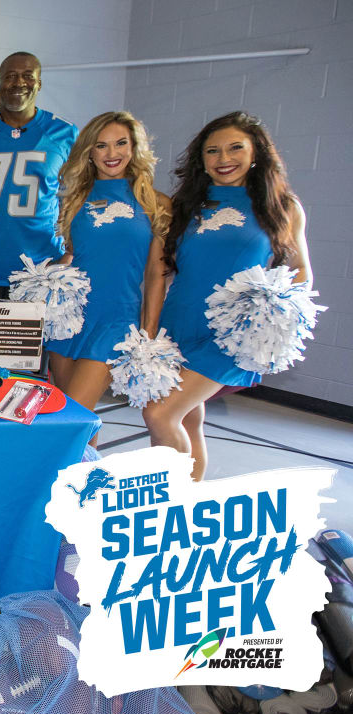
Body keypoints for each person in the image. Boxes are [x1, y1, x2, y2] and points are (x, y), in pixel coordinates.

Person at [142, 111, 312, 482]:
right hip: (178, 324)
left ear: (256, 153)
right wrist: (150, 331)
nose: (223, 159)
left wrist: (268, 311)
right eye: (212, 151)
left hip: (232, 335)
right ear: (200, 161)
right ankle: (190, 497)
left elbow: (300, 272)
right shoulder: (183, 207)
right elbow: (160, 271)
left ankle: (170, 505)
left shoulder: (282, 207)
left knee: (159, 414)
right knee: (188, 417)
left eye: (235, 148)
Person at [44, 111, 170, 435]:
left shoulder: (156, 203)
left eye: (120, 144)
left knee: (70, 420)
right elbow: (75, 255)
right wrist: (46, 277)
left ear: (135, 147)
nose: (112, 154)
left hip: (117, 321)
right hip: (71, 319)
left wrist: (149, 331)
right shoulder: (75, 199)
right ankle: (86, 484)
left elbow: (157, 274)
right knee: (80, 422)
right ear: (89, 151)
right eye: (101, 145)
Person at [0, 52, 78, 299]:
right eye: (10, 76)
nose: (19, 83)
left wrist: (69, 254)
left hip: (42, 271)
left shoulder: (65, 133)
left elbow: (77, 198)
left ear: (39, 83)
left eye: (28, 76)